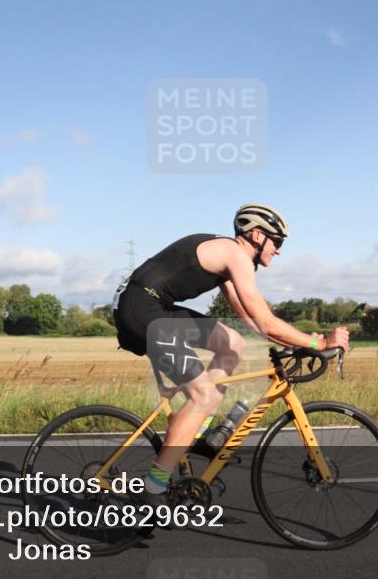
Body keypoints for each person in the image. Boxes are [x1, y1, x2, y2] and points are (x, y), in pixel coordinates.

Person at [112, 203, 350, 504]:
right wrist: (321, 343)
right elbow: (265, 321)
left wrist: (303, 340)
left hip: (149, 306)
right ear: (256, 235)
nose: (278, 250)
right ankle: (152, 490)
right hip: (142, 310)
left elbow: (254, 323)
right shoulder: (234, 254)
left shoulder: (229, 259)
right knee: (204, 396)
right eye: (277, 241)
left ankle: (198, 427)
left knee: (233, 342)